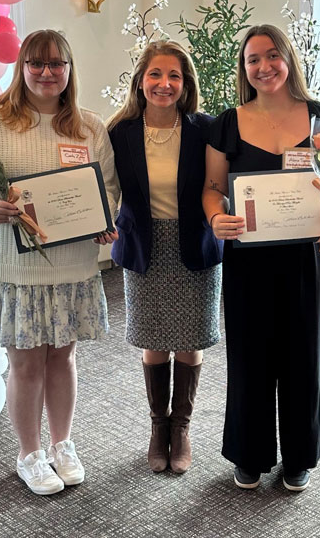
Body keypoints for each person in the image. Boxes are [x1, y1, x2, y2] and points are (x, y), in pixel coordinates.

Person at [0, 29, 119, 496]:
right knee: (25, 366)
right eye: (36, 63)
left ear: (69, 69)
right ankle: (29, 454)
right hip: (12, 269)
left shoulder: (88, 127)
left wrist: (105, 219)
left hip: (72, 265)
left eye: (57, 63)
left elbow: (111, 188)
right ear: (21, 68)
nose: (46, 72)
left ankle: (63, 444)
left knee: (63, 357)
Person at [202, 24, 320, 492]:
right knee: (250, 355)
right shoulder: (227, 123)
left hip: (309, 256)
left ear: (288, 59)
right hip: (248, 258)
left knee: (303, 354)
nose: (264, 67)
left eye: (272, 56)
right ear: (243, 69)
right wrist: (215, 219)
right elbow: (211, 189)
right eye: (253, 59)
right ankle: (249, 453)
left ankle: (299, 456)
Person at [107, 41, 223, 474]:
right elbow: (105, 187)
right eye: (156, 74)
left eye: (174, 75)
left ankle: (182, 428)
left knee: (191, 342)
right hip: (144, 246)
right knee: (154, 341)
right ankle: (159, 427)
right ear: (141, 80)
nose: (164, 84)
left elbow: (223, 182)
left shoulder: (205, 129)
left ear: (185, 83)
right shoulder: (119, 131)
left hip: (196, 244)